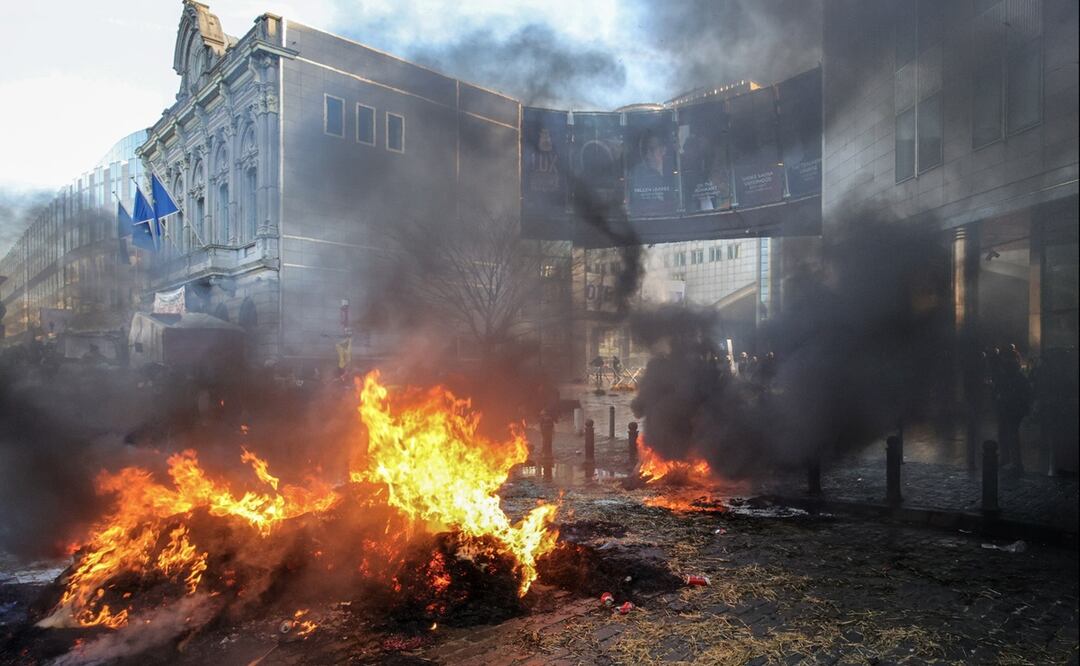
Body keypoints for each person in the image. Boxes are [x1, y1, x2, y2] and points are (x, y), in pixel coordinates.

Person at [993, 344, 1032, 476]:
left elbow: (1002, 387)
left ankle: (1012, 462)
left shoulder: (1008, 372)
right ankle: (1011, 461)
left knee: (1008, 434)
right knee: (1008, 434)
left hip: (1009, 407)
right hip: (1011, 407)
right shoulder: (1016, 373)